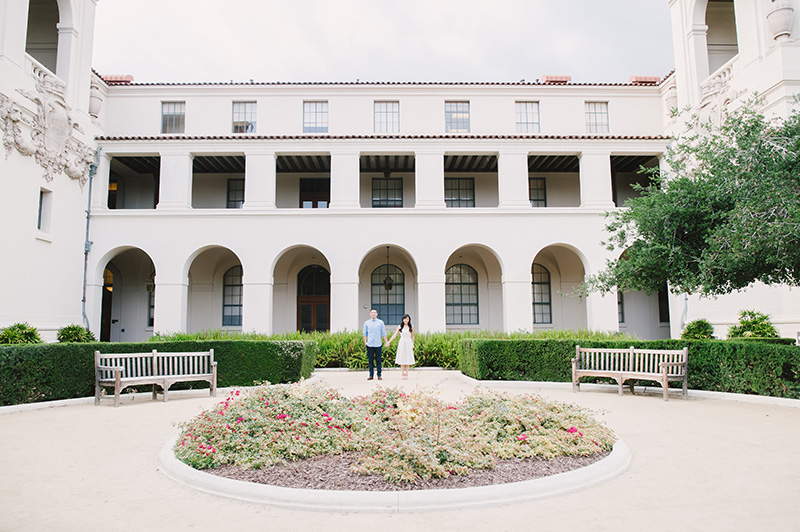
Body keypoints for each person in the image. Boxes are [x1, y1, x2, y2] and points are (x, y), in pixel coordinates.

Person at [362, 309, 388, 381]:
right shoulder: (367, 323)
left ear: (377, 314)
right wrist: (365, 342)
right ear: (370, 314)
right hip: (369, 344)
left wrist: (386, 342)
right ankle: (371, 375)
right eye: (372, 313)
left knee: (378, 360)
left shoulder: (380, 322)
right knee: (370, 360)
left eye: (374, 312)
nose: (373, 314)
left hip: (378, 344)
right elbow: (364, 333)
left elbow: (384, 333)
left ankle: (379, 374)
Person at [388, 314, 415, 379]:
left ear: (409, 320)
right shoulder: (400, 327)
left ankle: (407, 373)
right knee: (402, 357)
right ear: (403, 319)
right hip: (402, 342)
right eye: (405, 319)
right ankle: (402, 373)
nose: (406, 320)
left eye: (407, 319)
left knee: (408, 357)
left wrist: (413, 344)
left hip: (408, 342)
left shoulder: (411, 327)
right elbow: (395, 335)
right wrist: (389, 342)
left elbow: (412, 336)